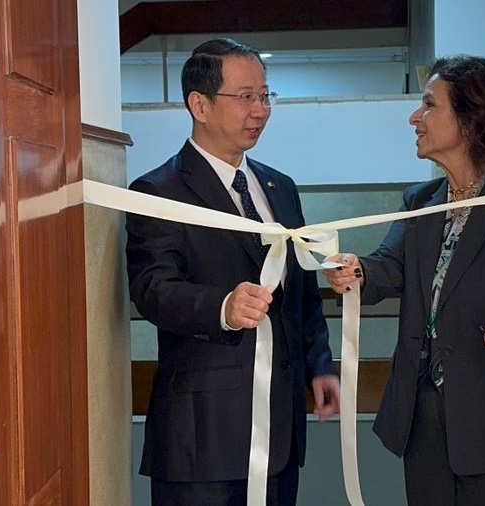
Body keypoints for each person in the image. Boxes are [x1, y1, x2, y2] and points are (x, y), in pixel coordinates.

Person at [325, 56, 485, 506]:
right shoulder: (422, 201)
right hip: (425, 427)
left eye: (429, 105)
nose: (415, 117)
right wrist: (356, 270)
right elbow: (388, 265)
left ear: (472, 119)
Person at [126, 38, 340, 506]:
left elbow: (300, 292)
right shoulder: (157, 191)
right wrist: (222, 306)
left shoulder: (280, 187)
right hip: (201, 439)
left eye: (265, 96)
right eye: (245, 97)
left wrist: (320, 365)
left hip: (280, 434)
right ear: (199, 105)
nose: (260, 111)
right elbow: (151, 289)